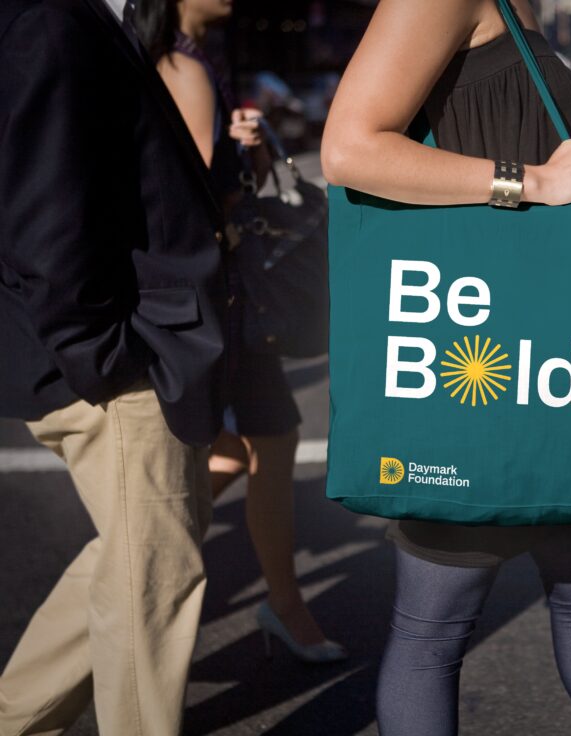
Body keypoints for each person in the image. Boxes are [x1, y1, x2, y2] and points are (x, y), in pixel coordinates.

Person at [321, 1, 571, 733]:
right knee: (436, 632)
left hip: (551, 352)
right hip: (474, 350)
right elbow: (348, 150)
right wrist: (531, 182)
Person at [0, 0, 229, 732]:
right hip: (116, 365)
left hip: (114, 353)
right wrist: (108, 362)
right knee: (151, 598)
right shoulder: (52, 20)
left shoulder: (67, 19)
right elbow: (44, 211)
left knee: (134, 567)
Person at [136, 0, 347, 663]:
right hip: (214, 297)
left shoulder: (196, 59)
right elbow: (193, 198)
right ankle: (137, 573)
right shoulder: (179, 63)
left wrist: (246, 151)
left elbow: (224, 189)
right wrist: (232, 156)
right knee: (250, 443)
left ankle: (271, 601)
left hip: (225, 293)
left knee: (257, 442)